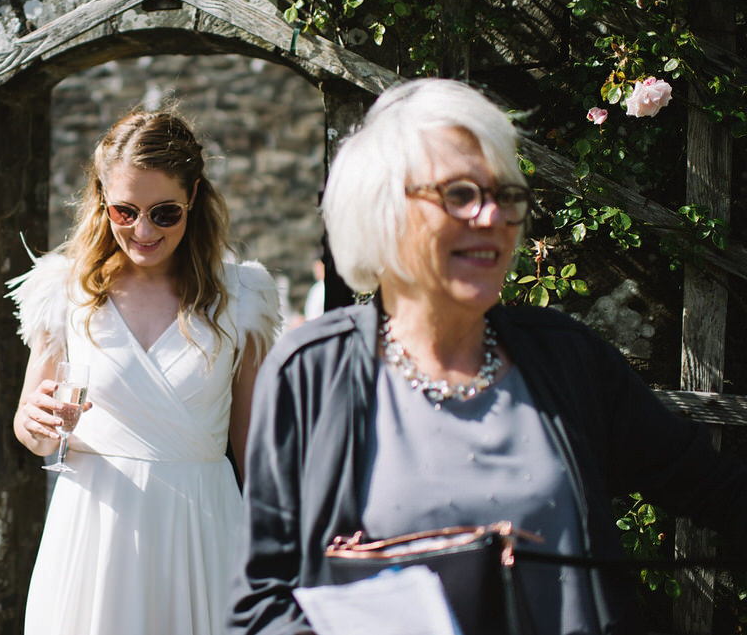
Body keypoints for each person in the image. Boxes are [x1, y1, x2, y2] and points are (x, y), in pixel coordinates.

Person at [227, 78, 747, 634]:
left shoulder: (568, 358)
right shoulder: (312, 373)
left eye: (505, 195)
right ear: (381, 211)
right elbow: (260, 604)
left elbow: (718, 490)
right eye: (459, 194)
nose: (492, 217)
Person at [10, 105, 281, 635]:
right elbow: (29, 424)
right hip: (94, 533)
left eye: (164, 213)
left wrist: (280, 548)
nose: (142, 230)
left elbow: (252, 445)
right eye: (124, 211)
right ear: (102, 201)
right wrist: (36, 423)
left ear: (194, 198)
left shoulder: (243, 297)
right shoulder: (65, 291)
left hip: (203, 532)